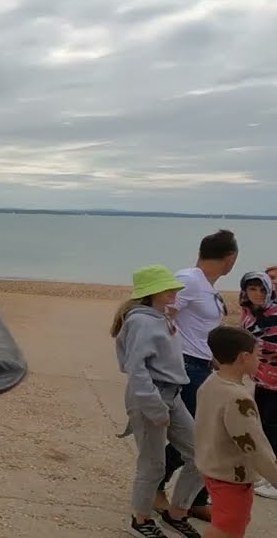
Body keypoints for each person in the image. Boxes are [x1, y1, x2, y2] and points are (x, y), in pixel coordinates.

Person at [112, 265, 205, 538]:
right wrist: (154, 407)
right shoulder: (141, 321)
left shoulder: (160, 317)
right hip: (152, 395)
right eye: (170, 288)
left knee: (200, 457)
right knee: (152, 464)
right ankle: (141, 520)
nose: (176, 291)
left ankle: (176, 513)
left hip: (172, 395)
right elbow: (136, 367)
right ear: (154, 292)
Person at [160, 229, 239, 520]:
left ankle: (193, 497)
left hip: (203, 366)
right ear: (230, 258)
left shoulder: (204, 284)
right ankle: (160, 488)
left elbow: (199, 328)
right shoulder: (189, 280)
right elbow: (161, 313)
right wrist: (167, 352)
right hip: (186, 367)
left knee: (203, 435)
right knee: (193, 437)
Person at [194, 326, 277, 538]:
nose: (260, 360)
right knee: (228, 527)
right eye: (258, 356)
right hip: (230, 475)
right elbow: (255, 446)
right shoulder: (238, 398)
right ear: (244, 357)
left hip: (212, 465)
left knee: (227, 522)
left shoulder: (211, 382)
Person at [237, 270, 277, 499]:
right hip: (262, 378)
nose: (258, 293)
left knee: (272, 426)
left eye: (262, 289)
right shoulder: (249, 311)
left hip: (274, 378)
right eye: (253, 288)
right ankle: (267, 472)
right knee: (261, 424)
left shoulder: (274, 312)